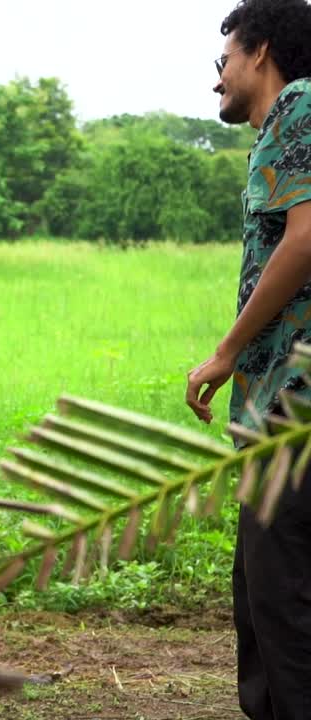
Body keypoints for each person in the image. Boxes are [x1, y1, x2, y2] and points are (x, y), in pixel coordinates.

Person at [185, 1, 311, 717]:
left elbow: (304, 238)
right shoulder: (284, 124)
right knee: (263, 594)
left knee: (282, 598)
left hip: (294, 398)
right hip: (276, 398)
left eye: (223, 61)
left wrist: (225, 352)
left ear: (259, 51)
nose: (218, 82)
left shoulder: (301, 102)